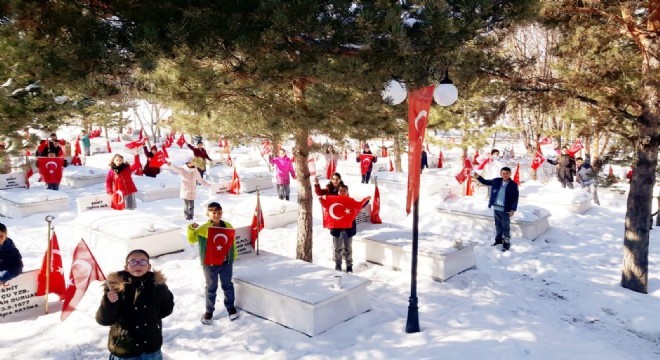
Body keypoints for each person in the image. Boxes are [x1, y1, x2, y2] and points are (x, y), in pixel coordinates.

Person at [96, 249, 174, 360]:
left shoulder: (157, 285)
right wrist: (109, 302)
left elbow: (166, 310)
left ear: (148, 266)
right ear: (126, 267)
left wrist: (164, 291)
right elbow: (104, 320)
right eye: (133, 262)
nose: (138, 265)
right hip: (124, 349)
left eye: (143, 262)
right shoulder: (115, 287)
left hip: (151, 349)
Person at [188, 202, 238, 324]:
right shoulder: (204, 228)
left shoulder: (228, 226)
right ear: (208, 214)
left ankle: (230, 307)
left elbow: (232, 242)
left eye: (219, 212)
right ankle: (209, 311)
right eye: (214, 212)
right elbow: (192, 239)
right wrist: (191, 228)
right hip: (210, 264)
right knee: (211, 287)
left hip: (226, 262)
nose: (216, 215)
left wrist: (233, 256)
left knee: (227, 285)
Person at [326, 184, 370, 273]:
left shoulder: (351, 201)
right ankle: (338, 266)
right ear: (338, 192)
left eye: (344, 191)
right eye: (340, 190)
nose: (342, 192)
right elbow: (328, 212)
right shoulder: (333, 202)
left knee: (348, 249)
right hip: (337, 230)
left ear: (347, 192)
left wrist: (366, 200)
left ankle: (349, 266)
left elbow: (359, 205)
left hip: (348, 230)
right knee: (337, 249)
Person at [475, 167, 519, 252]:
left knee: (505, 226)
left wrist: (513, 209)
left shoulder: (513, 184)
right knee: (498, 225)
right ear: (500, 173)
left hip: (506, 209)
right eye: (503, 173)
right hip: (496, 207)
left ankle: (506, 242)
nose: (505, 175)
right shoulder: (496, 181)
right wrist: (478, 177)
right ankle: (498, 240)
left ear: (510, 174)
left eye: (507, 173)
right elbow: (486, 182)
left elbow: (515, 198)